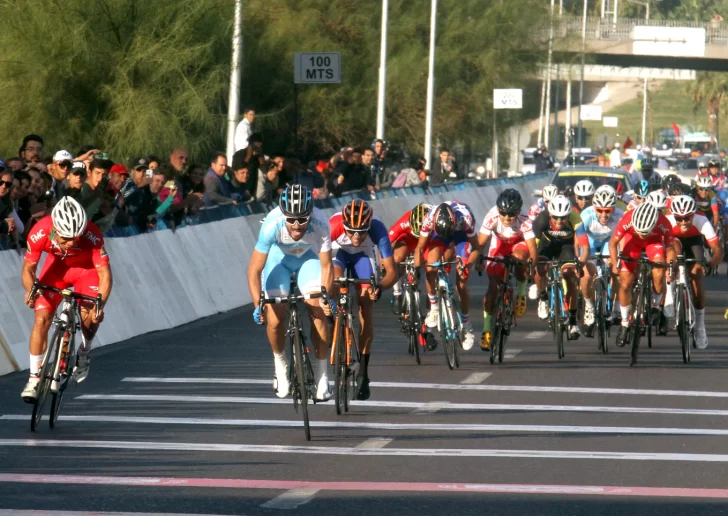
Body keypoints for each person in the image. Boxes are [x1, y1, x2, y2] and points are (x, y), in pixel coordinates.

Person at [20, 197, 113, 401]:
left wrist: (100, 303)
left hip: (86, 271)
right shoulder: (40, 231)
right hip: (57, 271)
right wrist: (31, 291)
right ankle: (34, 379)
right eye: (66, 238)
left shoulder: (92, 235)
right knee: (41, 318)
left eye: (76, 237)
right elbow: (28, 270)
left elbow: (105, 274)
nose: (72, 243)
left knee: (91, 316)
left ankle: (84, 350)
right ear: (55, 229)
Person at [247, 185, 334, 401]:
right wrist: (258, 303)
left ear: (310, 215)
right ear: (283, 215)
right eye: (291, 220)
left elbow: (327, 267)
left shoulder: (321, 223)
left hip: (308, 259)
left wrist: (325, 296)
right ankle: (280, 363)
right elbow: (254, 269)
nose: (296, 225)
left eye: (302, 220)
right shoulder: (271, 225)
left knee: (318, 312)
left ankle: (323, 376)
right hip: (279, 260)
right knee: (274, 318)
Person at [329, 200, 397, 400]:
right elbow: (320, 262)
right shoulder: (333, 226)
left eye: (362, 231)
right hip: (337, 254)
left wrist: (380, 287)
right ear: (344, 225)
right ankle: (335, 322)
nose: (357, 236)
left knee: (366, 305)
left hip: (363, 257)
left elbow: (392, 271)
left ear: (369, 226)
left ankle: (363, 373)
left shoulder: (377, 228)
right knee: (334, 282)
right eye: (351, 231)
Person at [414, 202, 481, 350]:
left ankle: (466, 324)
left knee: (461, 282)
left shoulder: (466, 218)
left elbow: (476, 248)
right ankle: (434, 308)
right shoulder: (429, 219)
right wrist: (417, 269)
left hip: (461, 237)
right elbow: (419, 247)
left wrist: (467, 265)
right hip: (439, 236)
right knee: (430, 267)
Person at [476, 189, 538, 350]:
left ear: (518, 212)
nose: (507, 218)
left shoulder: (525, 220)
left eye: (511, 214)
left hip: (519, 243)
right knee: (492, 289)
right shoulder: (492, 217)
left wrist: (531, 266)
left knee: (518, 257)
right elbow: (480, 244)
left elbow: (532, 249)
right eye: (503, 213)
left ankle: (521, 291)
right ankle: (487, 329)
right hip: (499, 245)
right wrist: (478, 260)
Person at [609, 201, 676, 347]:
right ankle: (625, 323)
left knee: (659, 272)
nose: (642, 234)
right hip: (632, 243)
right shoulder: (627, 218)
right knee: (625, 284)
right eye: (639, 230)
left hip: (654, 243)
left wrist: (670, 266)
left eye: (645, 232)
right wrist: (615, 264)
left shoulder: (663, 222)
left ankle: (656, 306)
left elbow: (670, 247)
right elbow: (613, 243)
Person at [666, 195, 723, 349]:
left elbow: (718, 249)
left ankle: (700, 326)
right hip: (675, 241)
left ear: (693, 215)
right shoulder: (668, 220)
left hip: (694, 241)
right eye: (679, 218)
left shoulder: (701, 220)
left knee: (697, 276)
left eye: (687, 218)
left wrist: (712, 263)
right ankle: (670, 295)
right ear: (674, 216)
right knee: (674, 255)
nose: (683, 222)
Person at [533, 195, 588, 340]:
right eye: (556, 217)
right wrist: (532, 262)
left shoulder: (576, 219)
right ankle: (543, 297)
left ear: (569, 215)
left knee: (569, 275)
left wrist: (580, 264)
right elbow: (533, 246)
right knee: (540, 269)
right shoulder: (541, 219)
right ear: (550, 214)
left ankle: (572, 321)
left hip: (566, 247)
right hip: (547, 245)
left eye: (563, 218)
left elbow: (585, 246)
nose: (559, 221)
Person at [579, 185, 624, 335]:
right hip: (589, 242)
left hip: (609, 242)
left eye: (608, 211)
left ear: (614, 208)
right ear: (594, 207)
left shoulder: (620, 215)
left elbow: (622, 240)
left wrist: (618, 258)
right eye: (600, 210)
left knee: (616, 269)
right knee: (587, 275)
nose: (604, 215)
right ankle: (590, 306)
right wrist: (581, 259)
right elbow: (578, 239)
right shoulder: (585, 215)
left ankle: (616, 306)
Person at [388, 202, 432, 315]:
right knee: (397, 258)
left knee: (432, 265)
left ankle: (432, 299)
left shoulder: (433, 219)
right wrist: (386, 264)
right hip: (409, 239)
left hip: (428, 239)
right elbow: (387, 241)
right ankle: (397, 293)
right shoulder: (405, 220)